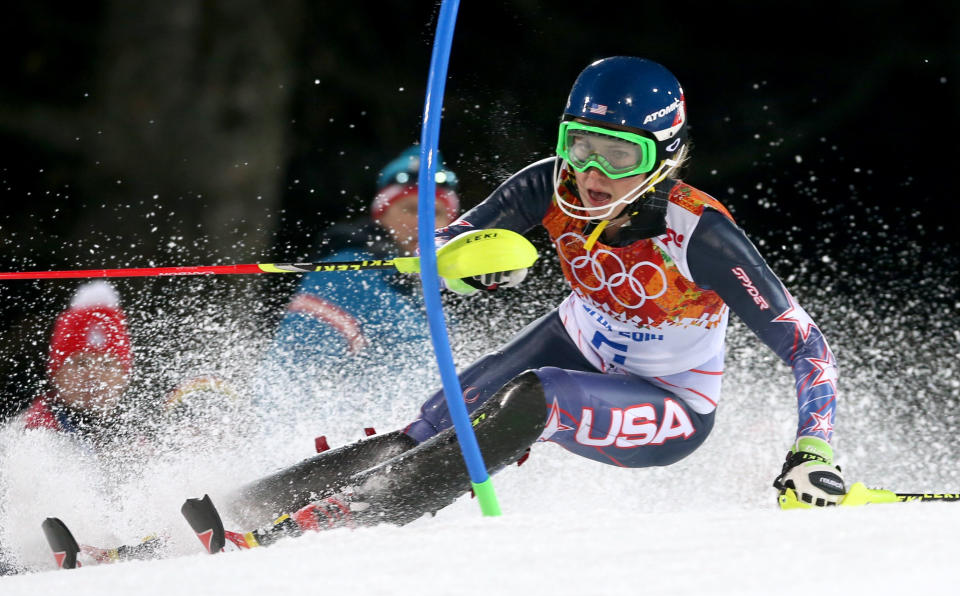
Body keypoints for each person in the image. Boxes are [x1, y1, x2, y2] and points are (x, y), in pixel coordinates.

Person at [222, 56, 842, 542]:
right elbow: (449, 242)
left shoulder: (699, 232)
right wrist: (456, 263)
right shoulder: (551, 181)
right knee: (439, 422)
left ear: (664, 158)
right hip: (575, 337)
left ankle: (343, 521)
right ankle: (244, 507)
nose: (593, 174)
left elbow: (805, 344)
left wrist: (813, 446)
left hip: (670, 403)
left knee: (539, 396)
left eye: (621, 154)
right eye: (581, 144)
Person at [254, 145, 461, 425]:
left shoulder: (431, 288)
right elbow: (292, 365)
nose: (423, 222)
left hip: (423, 434)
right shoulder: (349, 273)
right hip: (353, 437)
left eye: (435, 212)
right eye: (410, 209)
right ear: (382, 213)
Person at [19, 280, 133, 441]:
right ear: (56, 374)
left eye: (107, 364)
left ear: (124, 378)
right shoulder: (33, 431)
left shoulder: (133, 433)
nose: (94, 374)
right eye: (81, 363)